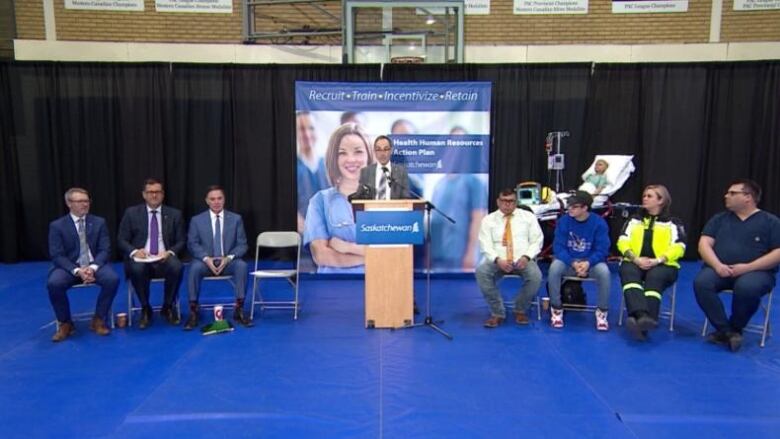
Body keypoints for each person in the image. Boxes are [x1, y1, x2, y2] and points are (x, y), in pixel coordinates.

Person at [694, 179, 780, 352]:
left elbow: (777, 252)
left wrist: (748, 267)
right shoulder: (719, 219)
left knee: (747, 287)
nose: (726, 196)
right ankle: (726, 331)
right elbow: (704, 244)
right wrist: (717, 265)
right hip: (720, 268)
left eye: (733, 193)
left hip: (757, 272)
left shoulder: (771, 222)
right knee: (702, 283)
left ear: (748, 197)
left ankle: (735, 326)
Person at [47, 187, 119, 342]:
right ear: (69, 203)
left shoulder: (99, 222)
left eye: (86, 201)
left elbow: (105, 249)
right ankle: (65, 322)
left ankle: (99, 319)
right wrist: (77, 270)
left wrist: (93, 267)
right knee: (54, 283)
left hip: (95, 265)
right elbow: (57, 255)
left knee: (112, 279)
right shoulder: (57, 226)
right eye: (79, 201)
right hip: (70, 267)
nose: (84, 205)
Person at [617, 185, 686, 340]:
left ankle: (640, 321)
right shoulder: (634, 220)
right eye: (644, 196)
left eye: (649, 196)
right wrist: (635, 258)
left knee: (655, 278)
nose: (645, 199)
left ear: (661, 201)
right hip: (635, 260)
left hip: (663, 264)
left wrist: (658, 260)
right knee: (628, 271)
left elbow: (679, 247)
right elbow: (622, 241)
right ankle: (643, 317)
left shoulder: (673, 222)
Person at [303, 123, 375, 273]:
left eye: (358, 152)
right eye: (342, 153)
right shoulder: (319, 201)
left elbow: (393, 254)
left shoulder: (383, 201)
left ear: (368, 156)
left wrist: (347, 247)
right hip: (333, 288)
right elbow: (321, 256)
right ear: (333, 158)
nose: (351, 159)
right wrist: (368, 257)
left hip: (378, 285)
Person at [117, 178, 186, 328]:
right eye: (150, 192)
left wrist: (170, 252)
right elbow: (121, 240)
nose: (154, 195)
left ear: (162, 194)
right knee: (136, 268)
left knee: (177, 267)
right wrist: (135, 251)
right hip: (141, 258)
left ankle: (167, 306)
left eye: (157, 192)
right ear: (144, 195)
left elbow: (181, 241)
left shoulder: (175, 214)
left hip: (164, 257)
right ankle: (145, 308)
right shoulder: (131, 213)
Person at [475, 189, 543, 327]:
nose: (507, 205)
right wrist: (497, 260)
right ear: (498, 202)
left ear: (516, 202)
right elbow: (485, 244)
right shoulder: (488, 220)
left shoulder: (528, 217)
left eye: (511, 201)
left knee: (535, 276)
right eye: (504, 201)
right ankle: (497, 312)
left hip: (522, 259)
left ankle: (520, 309)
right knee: (482, 272)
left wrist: (526, 257)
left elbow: (537, 240)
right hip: (498, 259)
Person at [186, 185, 250, 330]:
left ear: (224, 200)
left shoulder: (235, 219)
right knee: (194, 267)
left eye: (219, 198)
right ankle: (193, 310)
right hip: (205, 262)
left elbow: (242, 245)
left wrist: (227, 258)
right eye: (212, 199)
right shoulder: (197, 220)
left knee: (242, 266)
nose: (216, 202)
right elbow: (192, 244)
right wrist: (206, 259)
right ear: (207, 201)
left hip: (228, 261)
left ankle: (239, 309)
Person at [547, 190, 611, 330]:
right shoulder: (564, 221)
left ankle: (602, 312)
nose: (570, 209)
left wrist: (588, 263)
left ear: (585, 208)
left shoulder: (599, 223)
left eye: (574, 206)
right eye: (569, 206)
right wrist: (574, 263)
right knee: (554, 268)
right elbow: (558, 247)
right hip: (569, 261)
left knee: (604, 272)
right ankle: (556, 309)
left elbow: (602, 249)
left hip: (591, 262)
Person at [296, 111, 329, 233]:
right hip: (303, 233)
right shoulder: (293, 166)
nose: (307, 134)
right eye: (301, 129)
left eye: (311, 128)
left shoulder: (327, 164)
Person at [358, 135, 409, 200]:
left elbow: (406, 198)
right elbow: (359, 197)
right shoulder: (366, 172)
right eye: (378, 149)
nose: (382, 153)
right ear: (374, 151)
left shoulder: (401, 172)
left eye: (386, 149)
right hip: (371, 209)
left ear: (391, 150)